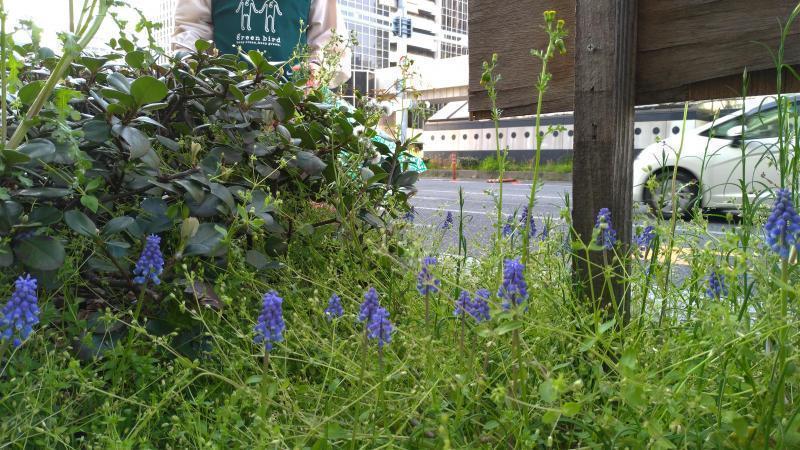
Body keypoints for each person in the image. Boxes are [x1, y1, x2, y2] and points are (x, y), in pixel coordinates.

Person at [173, 0, 351, 87]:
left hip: (292, 106)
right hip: (221, 98)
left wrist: (317, 68)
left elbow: (330, 38)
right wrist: (191, 71)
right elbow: (191, 29)